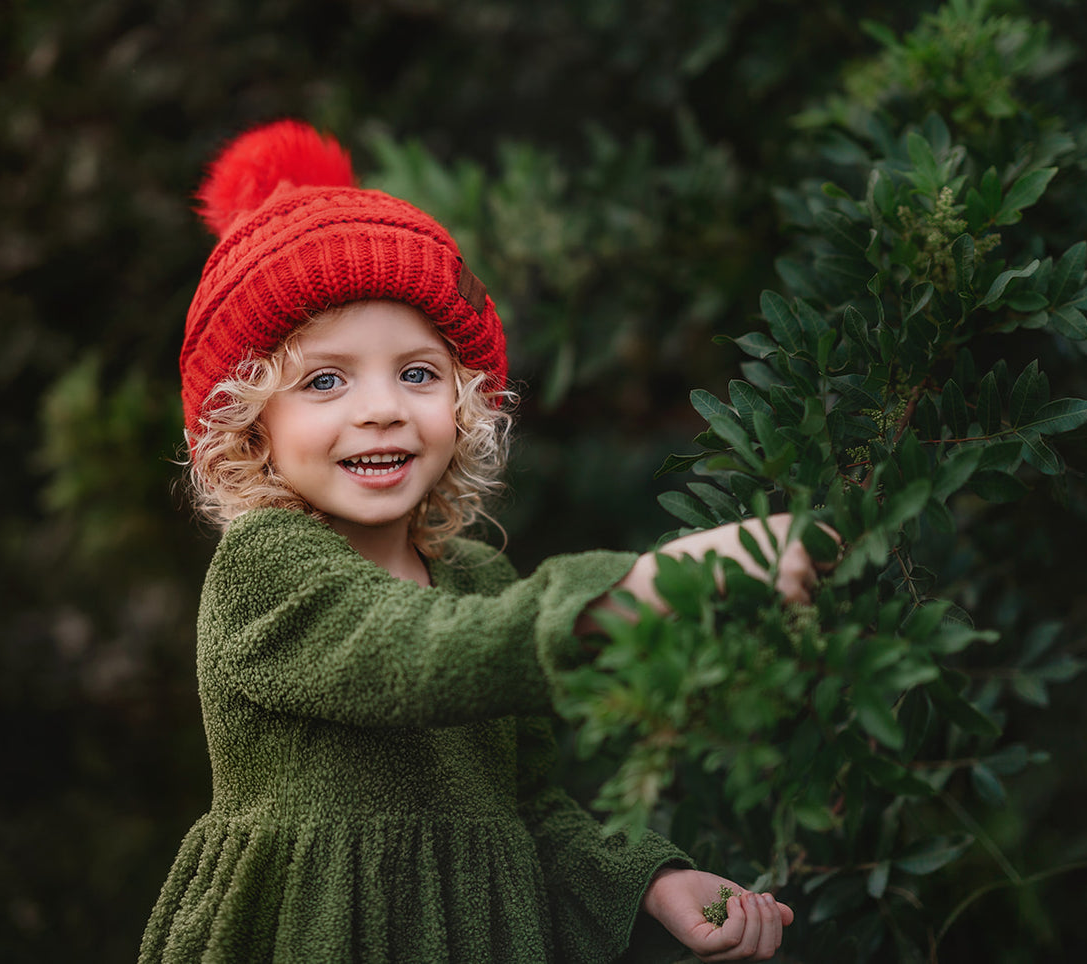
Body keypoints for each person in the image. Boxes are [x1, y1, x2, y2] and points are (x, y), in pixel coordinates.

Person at [138, 119, 829, 964]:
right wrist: (655, 585)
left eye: (418, 372)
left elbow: (527, 807)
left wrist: (647, 881)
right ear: (250, 428)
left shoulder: (475, 575)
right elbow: (418, 654)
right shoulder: (266, 569)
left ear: (464, 407)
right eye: (325, 380)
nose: (382, 407)